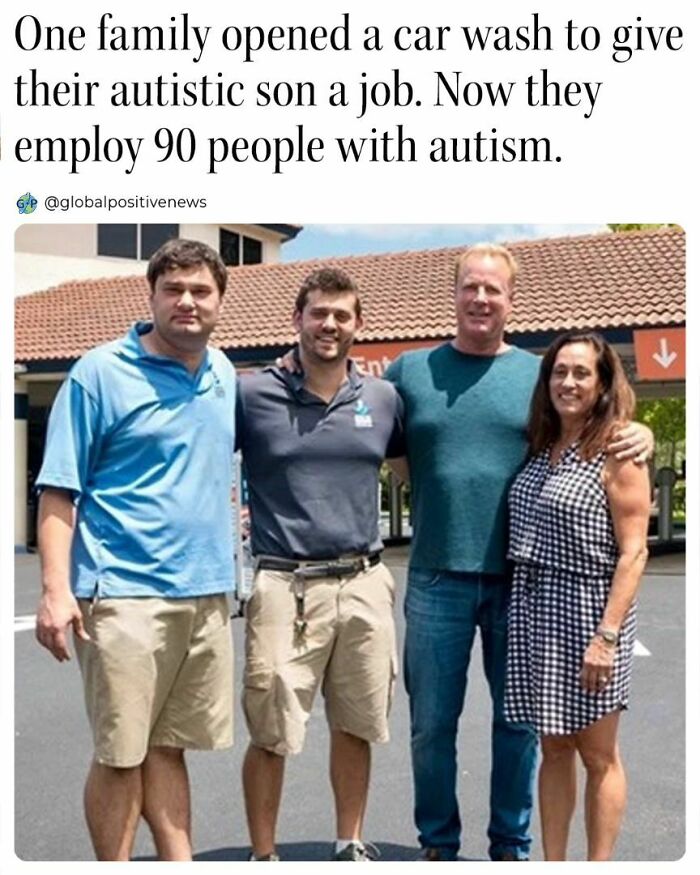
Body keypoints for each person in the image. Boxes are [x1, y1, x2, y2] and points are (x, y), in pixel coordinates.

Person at [383, 243, 652, 861]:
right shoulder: (409, 370)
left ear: (511, 300)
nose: (481, 298)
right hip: (434, 578)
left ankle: (510, 843)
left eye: (493, 289)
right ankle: (439, 844)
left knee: (522, 727)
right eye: (470, 286)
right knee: (430, 728)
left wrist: (636, 430)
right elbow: (382, 438)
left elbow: (595, 417)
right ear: (453, 294)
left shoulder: (540, 374)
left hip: (522, 586)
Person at [34, 239, 237, 861]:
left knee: (170, 746)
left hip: (205, 595)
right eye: (173, 289)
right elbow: (59, 489)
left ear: (219, 301)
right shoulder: (99, 374)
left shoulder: (224, 372)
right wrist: (54, 590)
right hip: (122, 596)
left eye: (200, 291)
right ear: (150, 296)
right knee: (120, 755)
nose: (187, 302)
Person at [237, 267, 405, 862]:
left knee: (358, 723)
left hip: (364, 580)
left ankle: (349, 840)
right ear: (297, 320)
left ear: (359, 325)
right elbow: (204, 461)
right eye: (318, 313)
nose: (329, 324)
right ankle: (263, 853)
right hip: (285, 583)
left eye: (341, 315)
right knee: (272, 727)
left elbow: (413, 471)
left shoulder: (382, 398)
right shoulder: (253, 394)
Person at [504, 331, 650, 861]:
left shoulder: (618, 450)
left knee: (598, 754)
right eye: (559, 372)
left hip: (590, 615)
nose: (568, 382)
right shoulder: (541, 446)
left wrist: (606, 637)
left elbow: (634, 553)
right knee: (553, 748)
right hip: (536, 614)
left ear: (603, 382)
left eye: (581, 373)